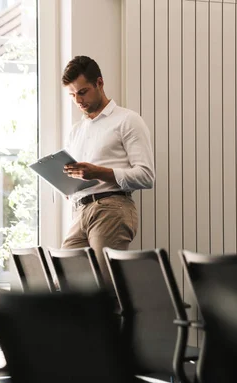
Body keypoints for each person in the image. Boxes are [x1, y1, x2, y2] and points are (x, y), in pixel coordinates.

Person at [61, 55, 155, 287]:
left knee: (105, 288)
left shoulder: (128, 120)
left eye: (82, 92)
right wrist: (67, 184)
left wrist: (98, 172)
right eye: (72, 95)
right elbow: (77, 177)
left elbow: (146, 176)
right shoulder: (76, 131)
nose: (78, 100)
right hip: (80, 211)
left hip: (112, 208)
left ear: (99, 83)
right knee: (67, 283)